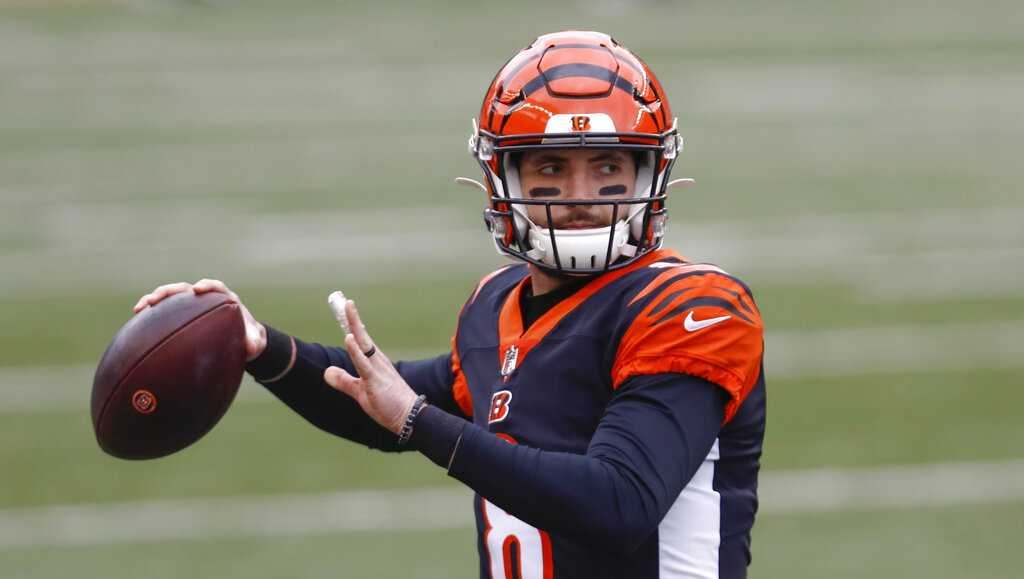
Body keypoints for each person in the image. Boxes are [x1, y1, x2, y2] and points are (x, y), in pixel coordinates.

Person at [133, 31, 766, 579]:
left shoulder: (694, 308)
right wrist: (258, 346)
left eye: (608, 167)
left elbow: (617, 503)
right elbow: (381, 399)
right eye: (549, 167)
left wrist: (421, 424)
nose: (581, 195)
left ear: (649, 175)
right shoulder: (496, 305)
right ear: (501, 177)